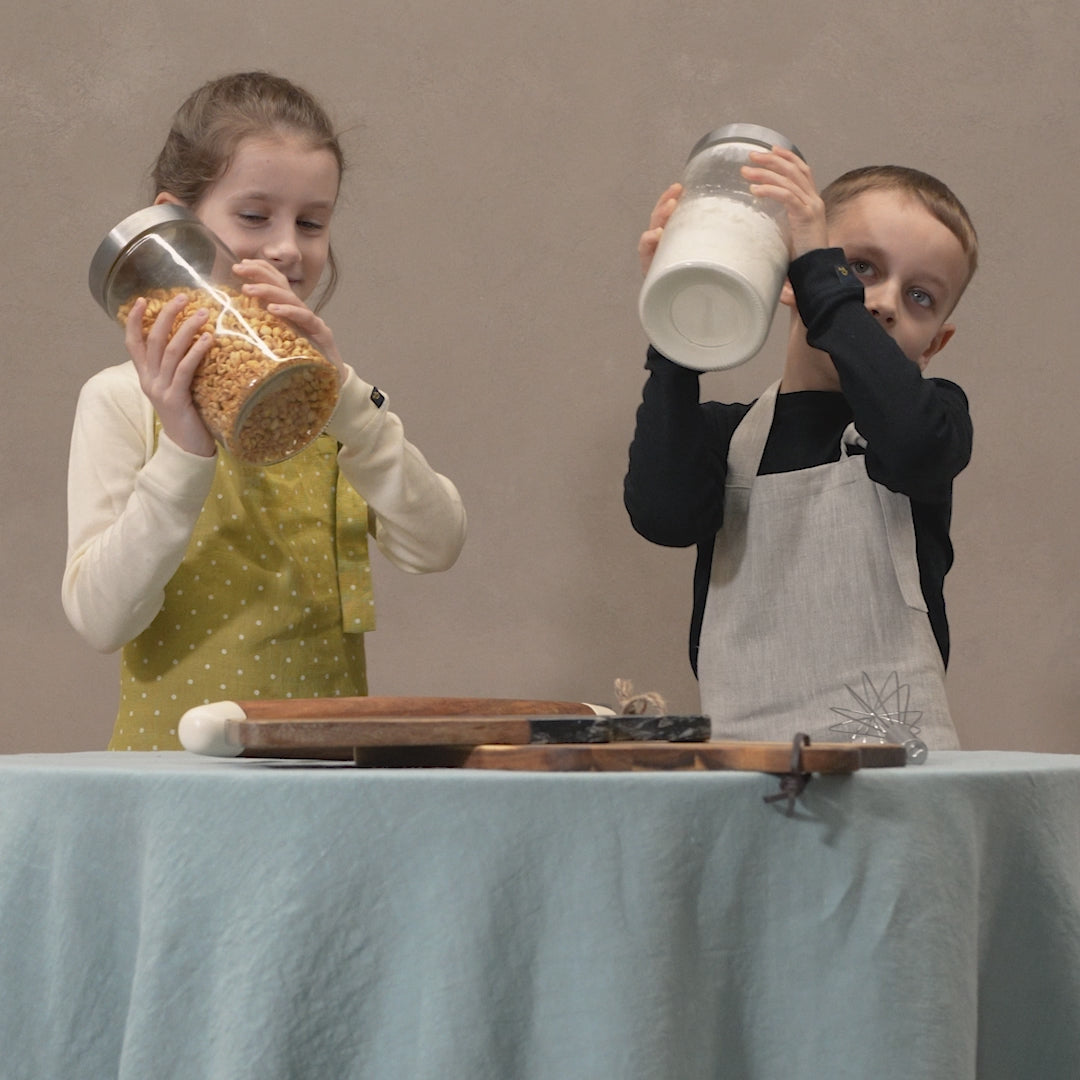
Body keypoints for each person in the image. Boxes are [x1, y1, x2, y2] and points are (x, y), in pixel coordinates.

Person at [64, 72, 467, 750]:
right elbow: (101, 620)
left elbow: (437, 544)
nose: (286, 247)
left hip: (324, 775)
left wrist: (349, 405)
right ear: (176, 225)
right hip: (173, 778)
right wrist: (183, 451)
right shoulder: (120, 400)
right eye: (254, 216)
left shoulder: (336, 403)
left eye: (311, 222)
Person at [624, 147, 978, 748]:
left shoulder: (932, 417)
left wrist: (827, 281)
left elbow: (914, 445)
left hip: (894, 764)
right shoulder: (727, 436)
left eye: (920, 296)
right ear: (789, 281)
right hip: (747, 762)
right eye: (860, 267)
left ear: (934, 345)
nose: (884, 303)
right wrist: (677, 322)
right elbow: (663, 515)